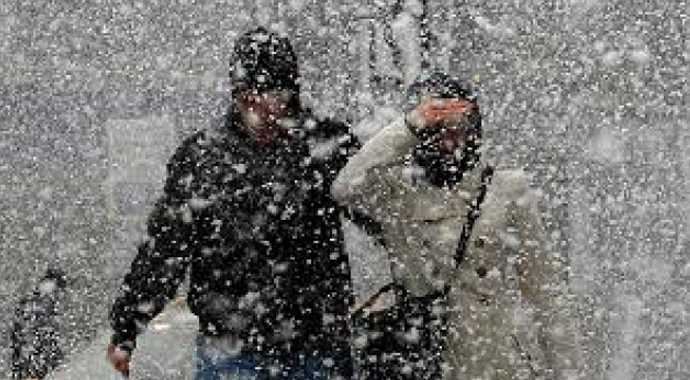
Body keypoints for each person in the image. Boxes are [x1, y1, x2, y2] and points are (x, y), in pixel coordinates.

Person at [107, 27, 358, 379]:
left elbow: (379, 209)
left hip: (312, 344)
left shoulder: (327, 145)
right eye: (249, 98)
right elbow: (165, 250)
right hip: (236, 346)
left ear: (291, 95)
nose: (262, 112)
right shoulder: (201, 158)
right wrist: (127, 326)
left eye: (273, 97)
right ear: (236, 96)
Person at [332, 72, 580, 380]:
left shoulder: (507, 189)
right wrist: (408, 125)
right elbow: (344, 187)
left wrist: (567, 372)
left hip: (493, 361)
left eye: (460, 129)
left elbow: (545, 294)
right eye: (437, 129)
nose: (450, 141)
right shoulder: (394, 191)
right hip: (420, 358)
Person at [11, 268, 67, 380]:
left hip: (30, 360)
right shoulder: (44, 299)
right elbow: (35, 333)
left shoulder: (35, 299)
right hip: (34, 361)